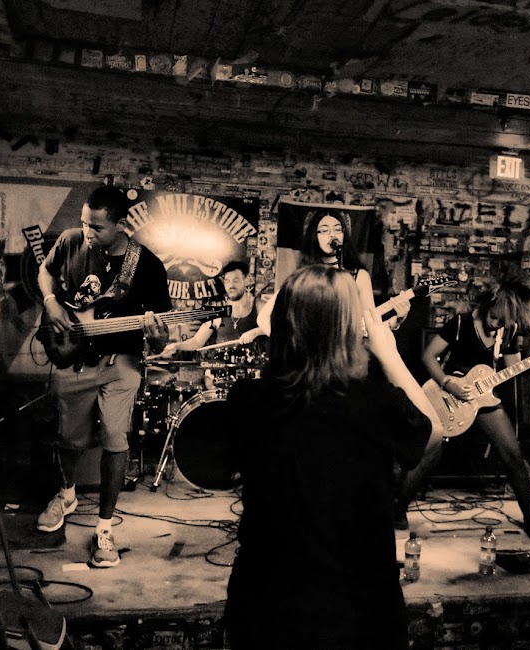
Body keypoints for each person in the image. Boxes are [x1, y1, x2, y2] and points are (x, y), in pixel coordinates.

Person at [223, 265, 442, 650]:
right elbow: (433, 432)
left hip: (266, 604)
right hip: (357, 607)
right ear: (348, 330)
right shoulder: (377, 404)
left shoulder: (247, 399)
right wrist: (388, 354)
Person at [36, 184, 172, 568]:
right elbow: (45, 271)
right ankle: (66, 494)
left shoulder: (146, 265)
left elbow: (159, 338)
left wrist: (157, 337)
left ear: (121, 224)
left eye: (97, 227)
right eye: (84, 223)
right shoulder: (70, 241)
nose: (88, 232)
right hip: (72, 358)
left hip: (120, 362)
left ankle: (105, 527)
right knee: (68, 438)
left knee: (115, 439)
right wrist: (51, 302)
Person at [393, 274, 530, 541]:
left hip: (484, 398)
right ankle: (398, 510)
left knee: (513, 455)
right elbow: (428, 356)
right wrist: (447, 382)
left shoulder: (509, 330)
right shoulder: (460, 323)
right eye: (494, 317)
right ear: (489, 303)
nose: (496, 324)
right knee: (429, 455)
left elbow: (512, 369)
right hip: (449, 395)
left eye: (503, 321)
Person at [244, 209, 409, 341]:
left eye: (338, 229)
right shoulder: (304, 275)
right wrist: (290, 344)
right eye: (324, 230)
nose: (332, 234)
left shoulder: (358, 275)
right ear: (314, 237)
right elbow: (264, 316)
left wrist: (396, 321)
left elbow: (369, 326)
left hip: (343, 360)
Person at [159, 260, 259, 355]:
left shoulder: (258, 305)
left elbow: (269, 329)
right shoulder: (218, 310)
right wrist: (177, 346)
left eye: (236, 280)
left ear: (246, 281)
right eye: (227, 281)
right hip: (222, 365)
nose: (231, 285)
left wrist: (256, 332)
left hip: (254, 365)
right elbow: (197, 341)